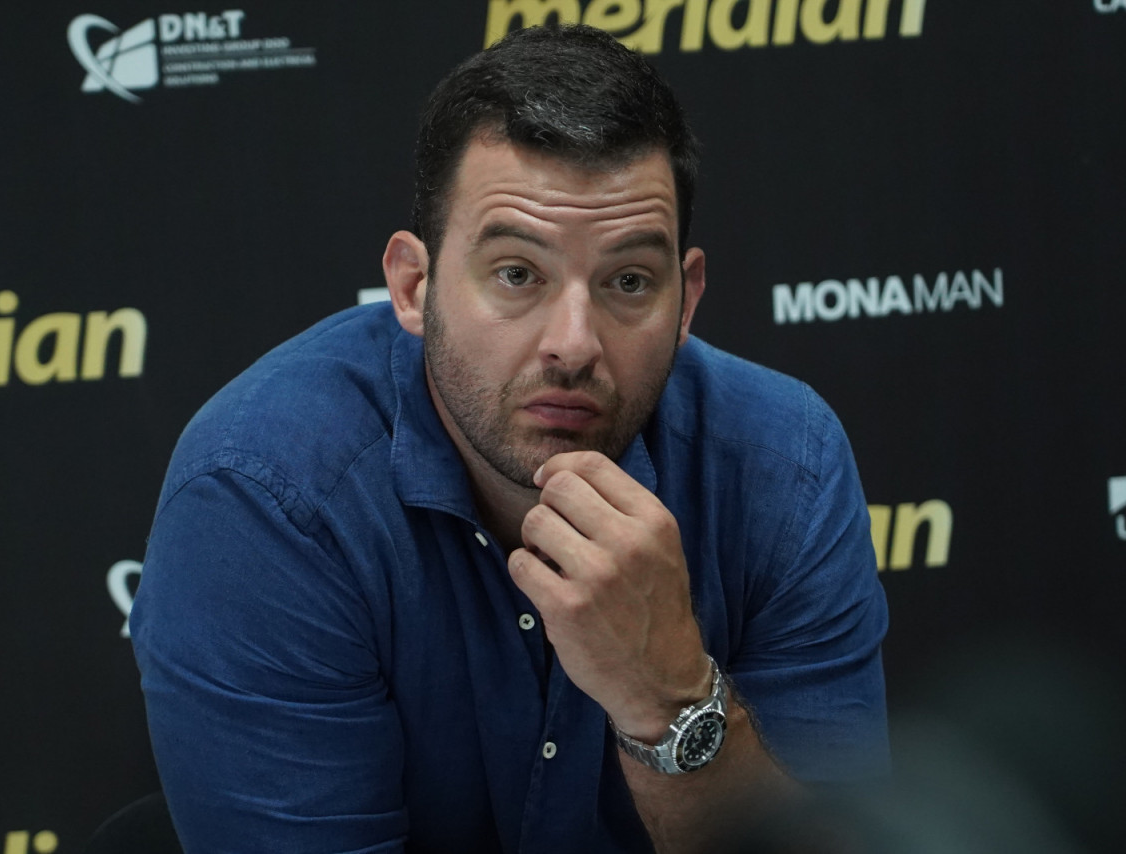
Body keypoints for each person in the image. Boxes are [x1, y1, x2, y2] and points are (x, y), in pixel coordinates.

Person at [130, 23, 888, 854]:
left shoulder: (786, 467)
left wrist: (671, 696)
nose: (574, 343)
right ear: (413, 287)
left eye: (629, 281)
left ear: (687, 298)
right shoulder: (265, 496)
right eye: (518, 274)